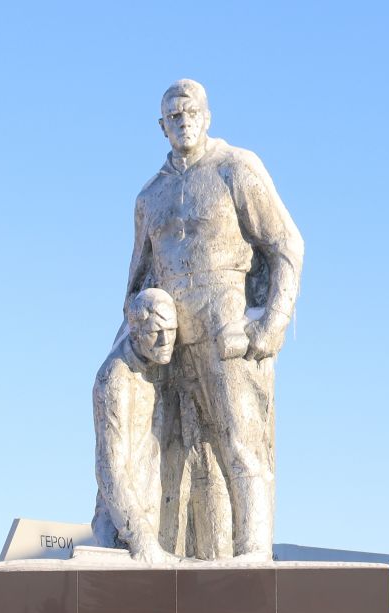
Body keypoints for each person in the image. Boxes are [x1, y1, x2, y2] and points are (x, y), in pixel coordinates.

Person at [126, 78, 303, 560]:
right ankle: (170, 553)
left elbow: (287, 245)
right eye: (174, 115)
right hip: (169, 336)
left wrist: (272, 322)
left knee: (239, 441)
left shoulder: (236, 168)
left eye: (192, 112)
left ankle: (251, 551)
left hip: (226, 319)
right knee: (173, 455)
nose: (184, 121)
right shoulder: (149, 197)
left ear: (207, 116)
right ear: (161, 126)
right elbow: (137, 280)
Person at [90, 287, 178, 561]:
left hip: (156, 516)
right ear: (136, 332)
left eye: (171, 330)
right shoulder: (115, 378)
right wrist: (141, 538)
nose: (166, 341)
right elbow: (110, 467)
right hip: (125, 533)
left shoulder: (159, 367)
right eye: (156, 332)